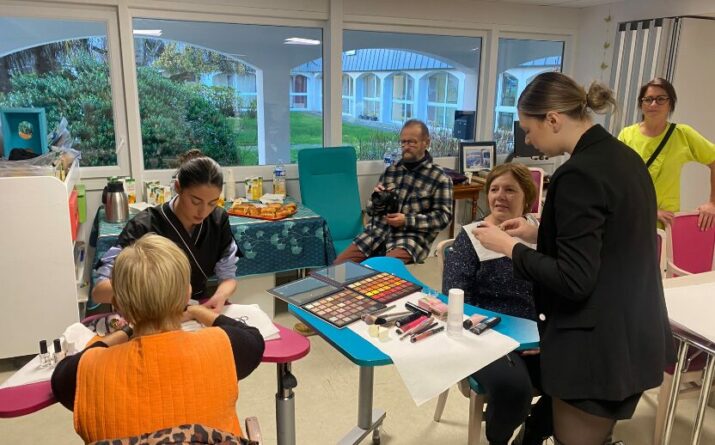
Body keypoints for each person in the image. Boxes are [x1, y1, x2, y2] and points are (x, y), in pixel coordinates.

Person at [473, 72, 673, 445]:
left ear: (552, 118)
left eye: (529, 129)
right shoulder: (624, 158)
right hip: (636, 334)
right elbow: (616, 241)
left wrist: (508, 247)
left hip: (597, 348)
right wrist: (540, 233)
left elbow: (574, 279)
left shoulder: (577, 173)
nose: (527, 139)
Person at [52, 234, 265, 443]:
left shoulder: (86, 370)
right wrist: (198, 311)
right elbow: (253, 338)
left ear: (117, 304)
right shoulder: (222, 345)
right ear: (186, 293)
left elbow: (63, 374)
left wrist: (127, 331)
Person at [443, 163, 550, 445]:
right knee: (514, 389)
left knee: (579, 376)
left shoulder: (540, 234)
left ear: (527, 198)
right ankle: (498, 440)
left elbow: (559, 289)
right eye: (494, 189)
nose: (500, 195)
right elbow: (454, 299)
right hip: (486, 334)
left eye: (510, 190)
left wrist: (546, 334)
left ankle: (532, 435)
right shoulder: (472, 237)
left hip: (538, 332)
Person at [93, 149, 241, 311]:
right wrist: (161, 294)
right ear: (178, 187)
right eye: (196, 201)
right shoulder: (145, 225)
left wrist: (220, 296)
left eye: (212, 203)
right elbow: (100, 290)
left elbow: (228, 277)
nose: (203, 212)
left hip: (197, 308)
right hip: (152, 312)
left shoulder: (218, 220)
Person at [335, 119, 453, 265]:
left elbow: (443, 218)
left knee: (380, 275)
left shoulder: (440, 178)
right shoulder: (391, 171)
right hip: (376, 234)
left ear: (426, 143)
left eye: (411, 142)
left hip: (409, 239)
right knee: (338, 268)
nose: (405, 147)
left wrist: (406, 220)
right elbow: (371, 210)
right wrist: (376, 200)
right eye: (403, 142)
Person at [617, 77, 715, 229]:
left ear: (671, 103)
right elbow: (618, 181)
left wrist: (712, 203)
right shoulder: (626, 135)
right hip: (630, 220)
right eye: (648, 99)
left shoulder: (682, 134)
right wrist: (651, 212)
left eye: (661, 99)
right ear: (641, 104)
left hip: (665, 225)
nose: (653, 104)